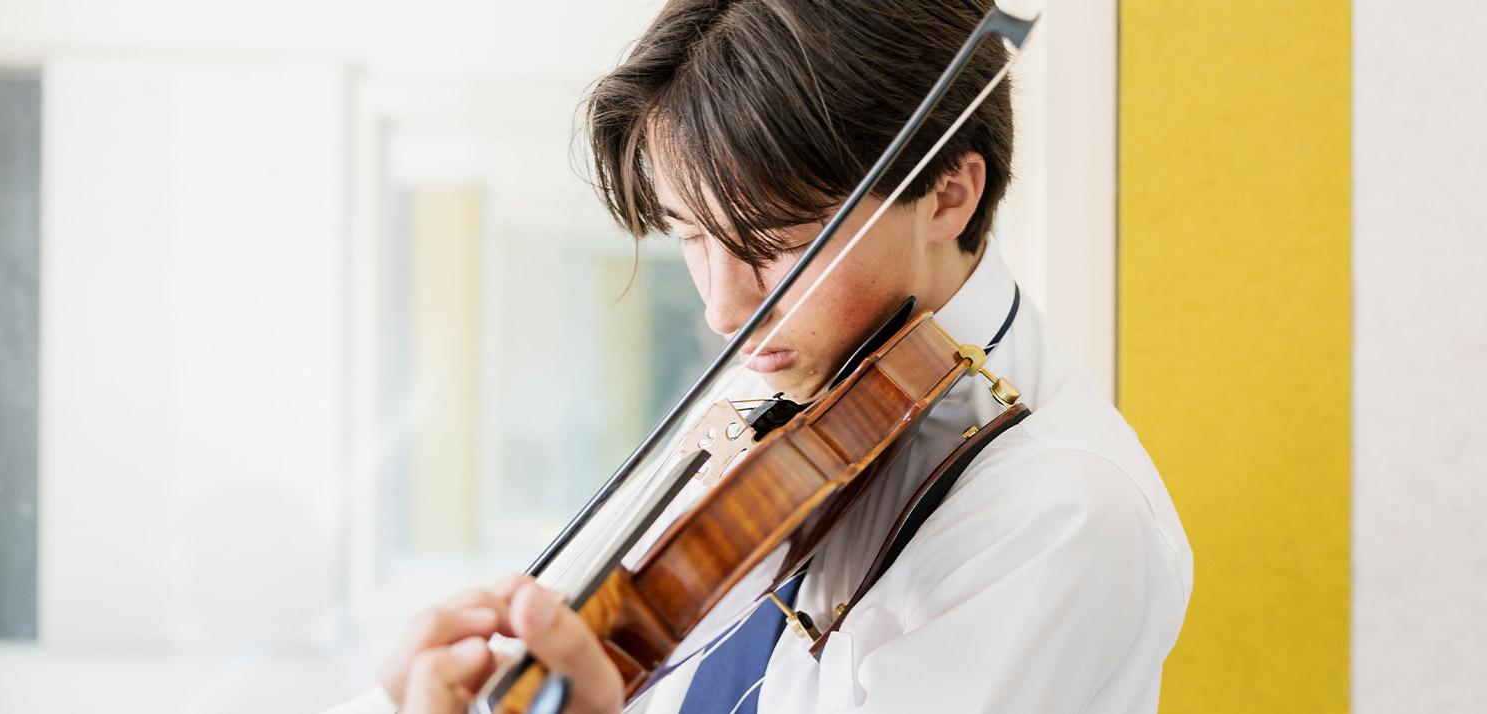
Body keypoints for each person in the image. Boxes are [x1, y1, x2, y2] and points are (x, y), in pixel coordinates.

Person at [328, 0, 1192, 712]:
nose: (723, 308)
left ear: (948, 194)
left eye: (773, 244)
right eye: (692, 238)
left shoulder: (1059, 514)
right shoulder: (790, 390)